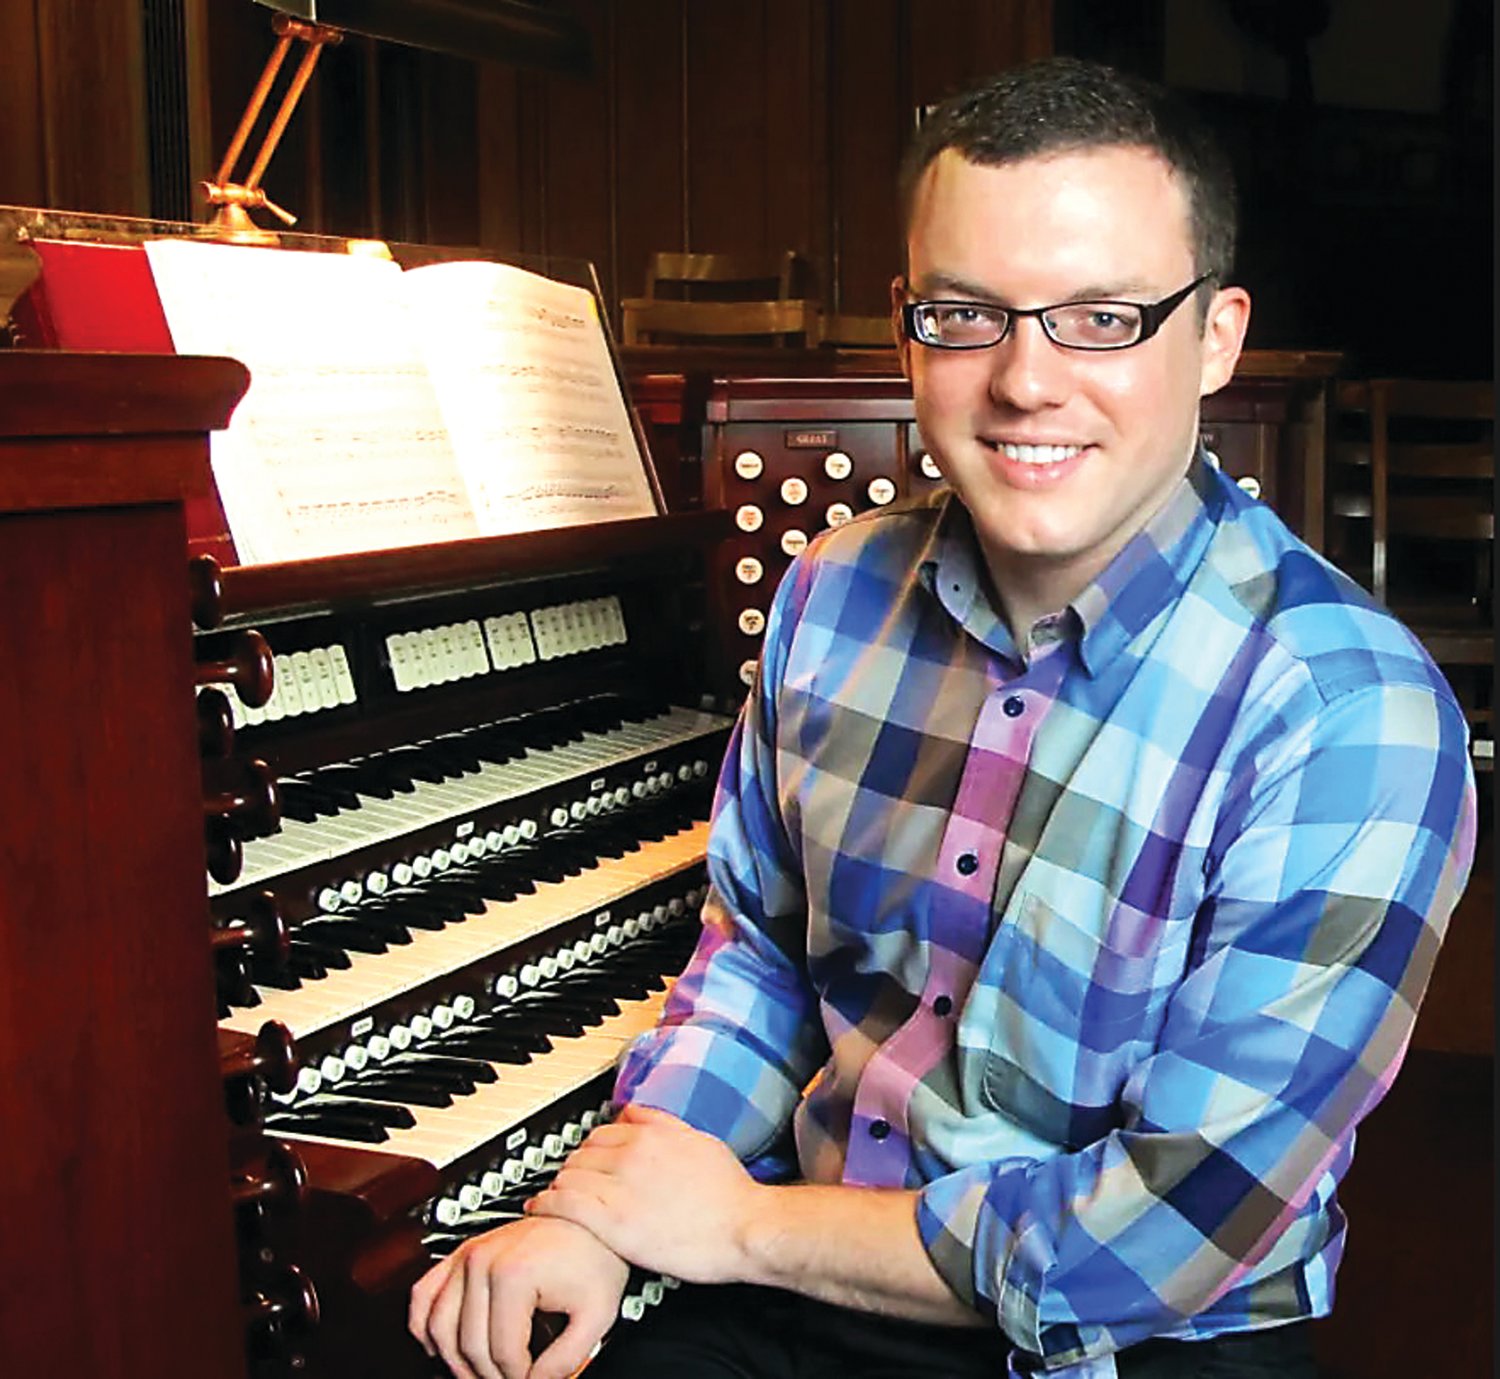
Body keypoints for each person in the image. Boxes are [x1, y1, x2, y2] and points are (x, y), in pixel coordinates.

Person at [408, 56, 1477, 1379]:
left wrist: (738, 1226)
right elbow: (756, 964)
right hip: (801, 1273)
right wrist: (601, 1220)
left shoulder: (1348, 715)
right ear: (907, 327)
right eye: (968, 316)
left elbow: (1170, 1233)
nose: (1025, 383)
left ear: (1216, 337)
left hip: (1138, 1338)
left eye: (1101, 318)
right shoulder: (834, 597)